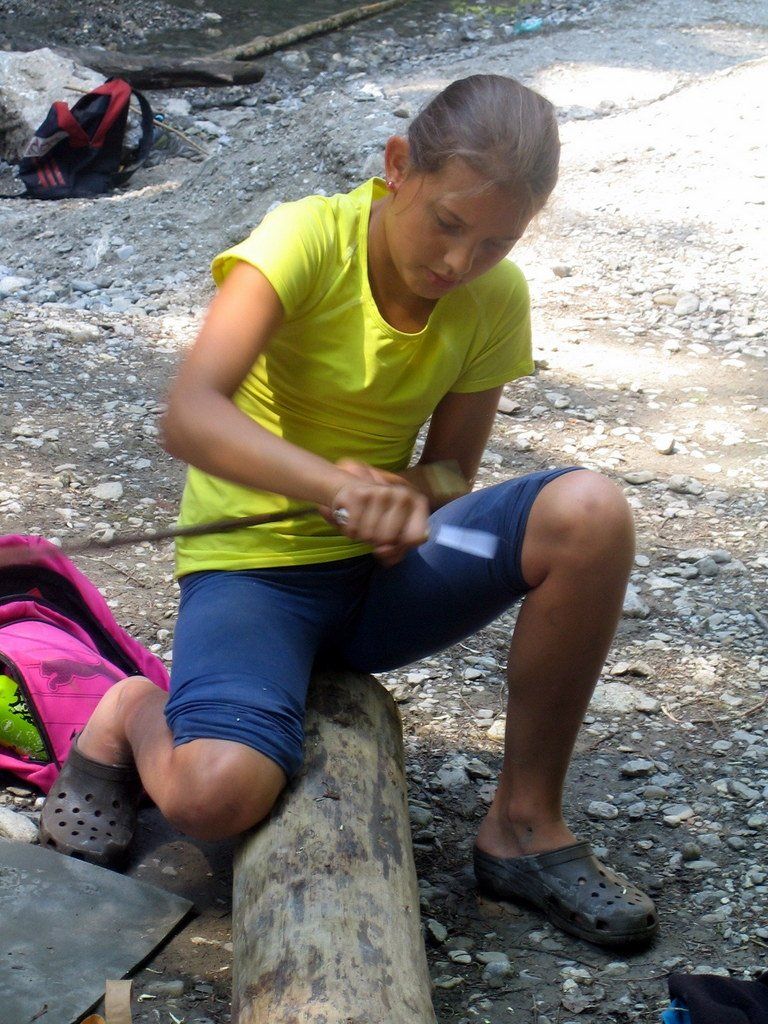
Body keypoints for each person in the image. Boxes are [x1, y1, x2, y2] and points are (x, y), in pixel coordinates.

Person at [39, 74, 658, 949]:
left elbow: (453, 470)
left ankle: (523, 824)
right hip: (254, 580)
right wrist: (333, 485)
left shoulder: (495, 298)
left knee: (591, 511)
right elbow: (190, 413)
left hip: (379, 579)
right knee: (213, 797)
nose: (460, 263)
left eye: (496, 241)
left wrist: (412, 496)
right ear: (398, 165)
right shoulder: (305, 239)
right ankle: (133, 709)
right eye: (448, 223)